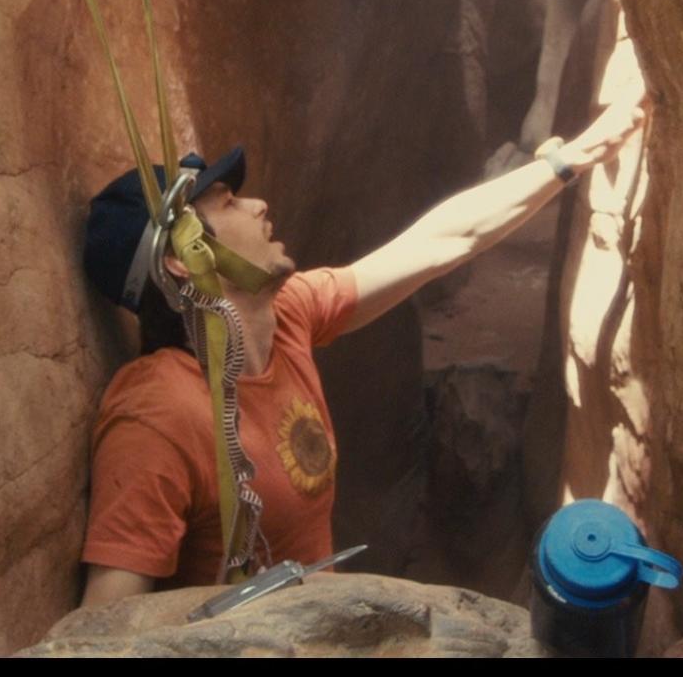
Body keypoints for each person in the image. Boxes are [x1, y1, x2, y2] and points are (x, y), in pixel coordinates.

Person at [78, 100, 646, 609]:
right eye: (228, 203)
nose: (257, 205)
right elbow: (104, 624)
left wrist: (567, 161)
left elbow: (442, 242)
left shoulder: (290, 315)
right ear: (183, 260)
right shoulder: (158, 414)